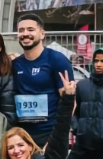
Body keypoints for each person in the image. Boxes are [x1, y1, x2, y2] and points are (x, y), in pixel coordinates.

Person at [9, 14, 75, 146]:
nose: (25, 33)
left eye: (30, 29)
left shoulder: (56, 59)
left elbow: (70, 102)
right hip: (23, 136)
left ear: (42, 33)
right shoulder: (15, 64)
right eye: (21, 30)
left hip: (49, 134)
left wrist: (56, 136)